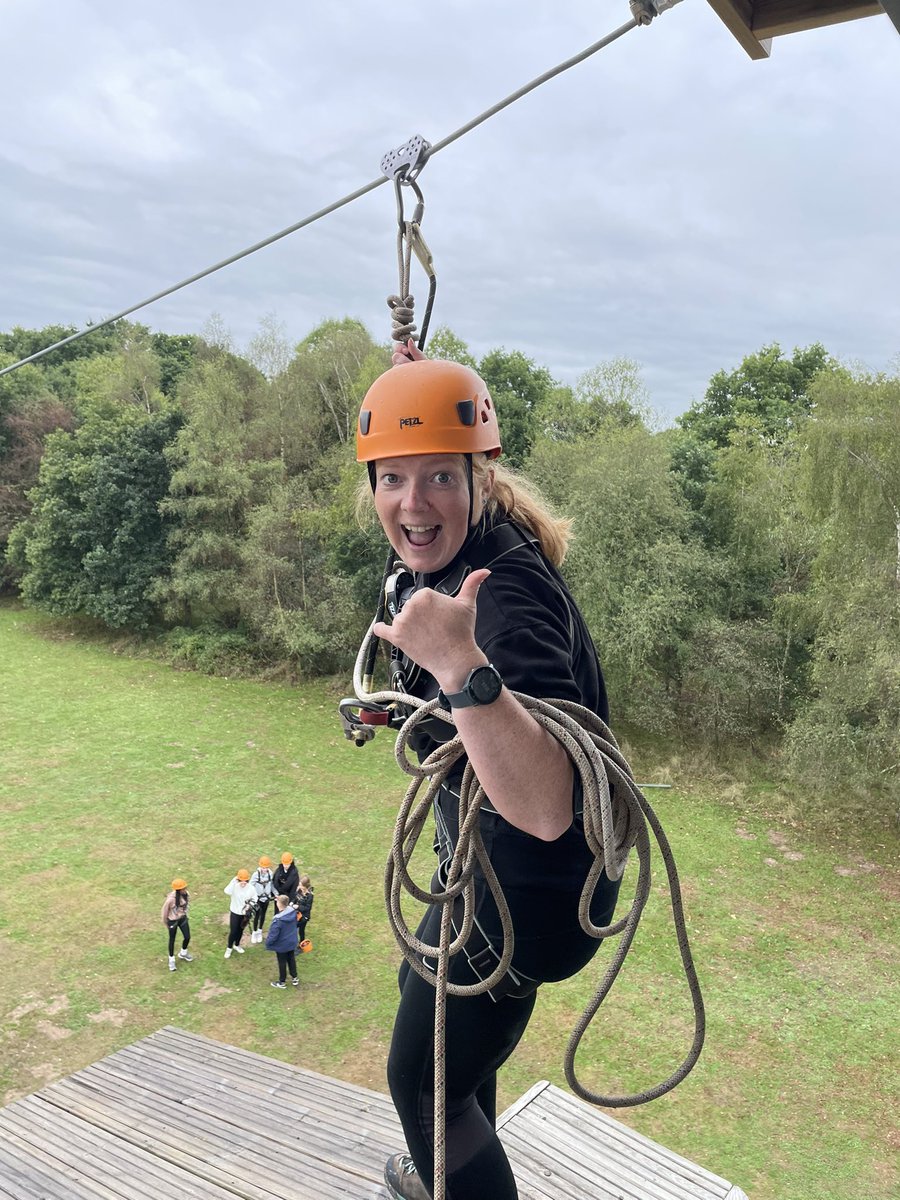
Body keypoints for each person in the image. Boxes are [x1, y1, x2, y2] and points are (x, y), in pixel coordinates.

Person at [355, 346, 621, 1200]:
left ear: (480, 478)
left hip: (532, 893)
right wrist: (417, 379)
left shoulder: (501, 598)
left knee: (422, 1083)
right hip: (494, 876)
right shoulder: (464, 548)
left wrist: (461, 670)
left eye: (440, 476)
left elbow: (546, 806)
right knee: (436, 1025)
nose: (413, 503)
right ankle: (446, 1170)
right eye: (392, 478)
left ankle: (449, 1173)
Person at [265, 893, 300, 988]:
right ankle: (295, 978)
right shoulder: (293, 912)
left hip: (282, 945)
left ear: (279, 904)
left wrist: (268, 943)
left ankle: (282, 982)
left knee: (282, 962)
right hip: (291, 941)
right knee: (291, 959)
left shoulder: (278, 920)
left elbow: (273, 935)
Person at [161, 877, 192, 972]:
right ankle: (171, 960)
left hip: (182, 919)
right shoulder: (170, 900)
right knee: (172, 940)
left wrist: (185, 914)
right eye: (183, 888)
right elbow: (164, 912)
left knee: (187, 937)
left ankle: (183, 953)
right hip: (173, 921)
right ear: (178, 890)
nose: (185, 889)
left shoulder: (186, 895)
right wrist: (166, 923)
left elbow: (186, 905)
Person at [223, 868, 256, 959]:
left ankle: (237, 945)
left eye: (245, 881)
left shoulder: (251, 888)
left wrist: (250, 905)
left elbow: (255, 898)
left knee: (241, 930)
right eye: (241, 881)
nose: (243, 883)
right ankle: (229, 948)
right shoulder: (234, 886)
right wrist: (234, 880)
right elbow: (226, 891)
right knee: (233, 931)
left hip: (245, 914)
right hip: (235, 912)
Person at [249, 856, 275, 943]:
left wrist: (276, 894)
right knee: (257, 915)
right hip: (258, 899)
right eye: (263, 867)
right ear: (260, 866)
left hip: (266, 899)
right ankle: (254, 932)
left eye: (266, 867)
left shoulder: (270, 874)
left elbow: (272, 885)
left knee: (263, 914)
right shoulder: (256, 875)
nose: (264, 869)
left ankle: (260, 931)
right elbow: (250, 886)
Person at [295, 873, 314, 948]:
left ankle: (301, 944)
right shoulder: (299, 890)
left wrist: (298, 906)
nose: (299, 886)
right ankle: (296, 942)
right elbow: (295, 898)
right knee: (294, 928)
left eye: (301, 885)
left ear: (305, 886)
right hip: (297, 914)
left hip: (304, 917)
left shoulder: (310, 895)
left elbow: (307, 908)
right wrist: (292, 902)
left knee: (301, 930)